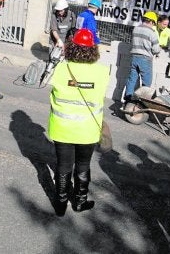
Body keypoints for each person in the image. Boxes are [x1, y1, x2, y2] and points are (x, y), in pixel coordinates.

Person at [48, 28, 110, 216]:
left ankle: (60, 205)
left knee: (63, 166)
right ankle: (80, 202)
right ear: (93, 50)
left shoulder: (61, 69)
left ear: (72, 47)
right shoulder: (102, 72)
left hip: (62, 128)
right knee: (83, 165)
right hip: (88, 130)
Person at [123, 11, 161, 102]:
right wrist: (158, 52)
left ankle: (128, 99)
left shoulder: (136, 29)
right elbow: (156, 50)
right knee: (146, 82)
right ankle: (142, 102)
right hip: (145, 59)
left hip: (134, 57)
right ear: (151, 22)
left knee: (132, 79)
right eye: (153, 23)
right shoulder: (152, 33)